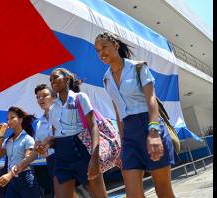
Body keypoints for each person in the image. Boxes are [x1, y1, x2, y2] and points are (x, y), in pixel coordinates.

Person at [94, 31, 175, 198]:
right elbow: (118, 112)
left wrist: (153, 132)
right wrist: (123, 144)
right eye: (97, 50)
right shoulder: (106, 79)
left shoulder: (138, 68)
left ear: (115, 45)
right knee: (133, 195)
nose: (101, 53)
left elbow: (151, 100)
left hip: (149, 126)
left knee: (163, 190)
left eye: (104, 47)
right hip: (129, 136)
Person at [48, 68, 108, 198]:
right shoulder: (53, 108)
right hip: (61, 157)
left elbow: (93, 127)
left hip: (81, 152)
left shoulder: (80, 98)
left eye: (55, 77)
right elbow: (56, 134)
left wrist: (94, 156)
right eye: (50, 79)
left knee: (99, 196)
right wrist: (46, 144)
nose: (52, 81)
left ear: (67, 79)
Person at [0, 106, 41, 198]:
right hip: (11, 180)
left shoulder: (28, 139)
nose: (9, 121)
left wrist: (9, 175)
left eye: (12, 118)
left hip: (25, 178)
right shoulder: (8, 140)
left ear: (20, 120)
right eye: (7, 119)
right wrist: (1, 136)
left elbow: (26, 161)